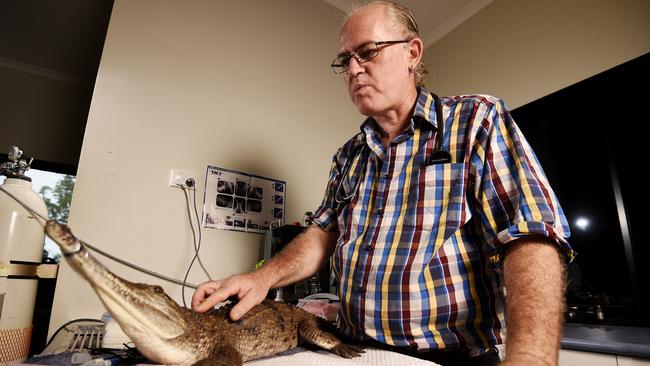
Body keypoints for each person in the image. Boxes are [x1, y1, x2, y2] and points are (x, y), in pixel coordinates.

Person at [193, 2, 573, 365]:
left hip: (451, 358)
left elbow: (530, 233)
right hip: (356, 351)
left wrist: (533, 356)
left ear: (412, 53)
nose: (354, 69)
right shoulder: (348, 156)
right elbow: (322, 234)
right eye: (345, 60)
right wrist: (261, 278)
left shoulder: (476, 121)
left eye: (368, 52)